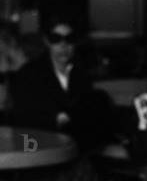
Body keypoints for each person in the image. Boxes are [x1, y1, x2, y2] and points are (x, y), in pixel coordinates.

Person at [10, 12, 114, 155]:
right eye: (56, 39)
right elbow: (24, 127)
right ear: (47, 41)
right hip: (42, 155)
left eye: (69, 39)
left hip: (76, 155)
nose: (63, 45)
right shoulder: (29, 75)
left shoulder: (80, 76)